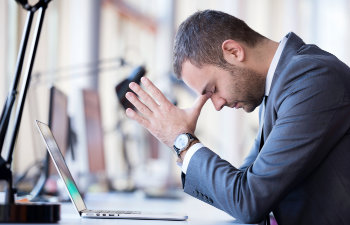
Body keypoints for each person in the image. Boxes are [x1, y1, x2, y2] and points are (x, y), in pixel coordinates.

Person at [124, 9, 350, 225]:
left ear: (233, 51)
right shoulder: (278, 87)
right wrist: (182, 142)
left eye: (212, 89)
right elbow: (242, 188)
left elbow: (248, 199)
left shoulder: (312, 80)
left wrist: (181, 141)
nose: (218, 104)